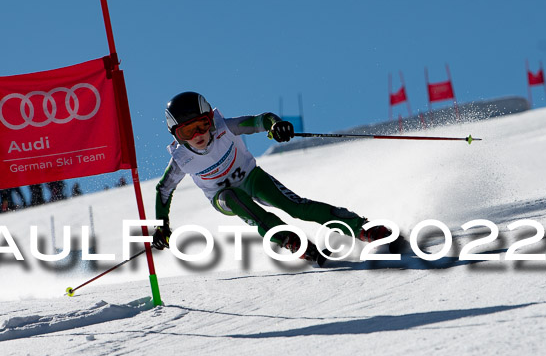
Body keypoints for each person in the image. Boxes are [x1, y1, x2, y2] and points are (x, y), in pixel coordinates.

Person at [151, 91, 392, 262]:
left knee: (296, 207)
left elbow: (260, 120)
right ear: (176, 135)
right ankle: (289, 239)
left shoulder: (225, 127)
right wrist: (162, 227)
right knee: (233, 197)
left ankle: (362, 228)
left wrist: (275, 126)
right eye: (187, 131)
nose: (198, 135)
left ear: (210, 120)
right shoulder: (182, 159)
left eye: (202, 125)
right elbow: (164, 190)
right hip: (223, 198)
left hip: (252, 178)